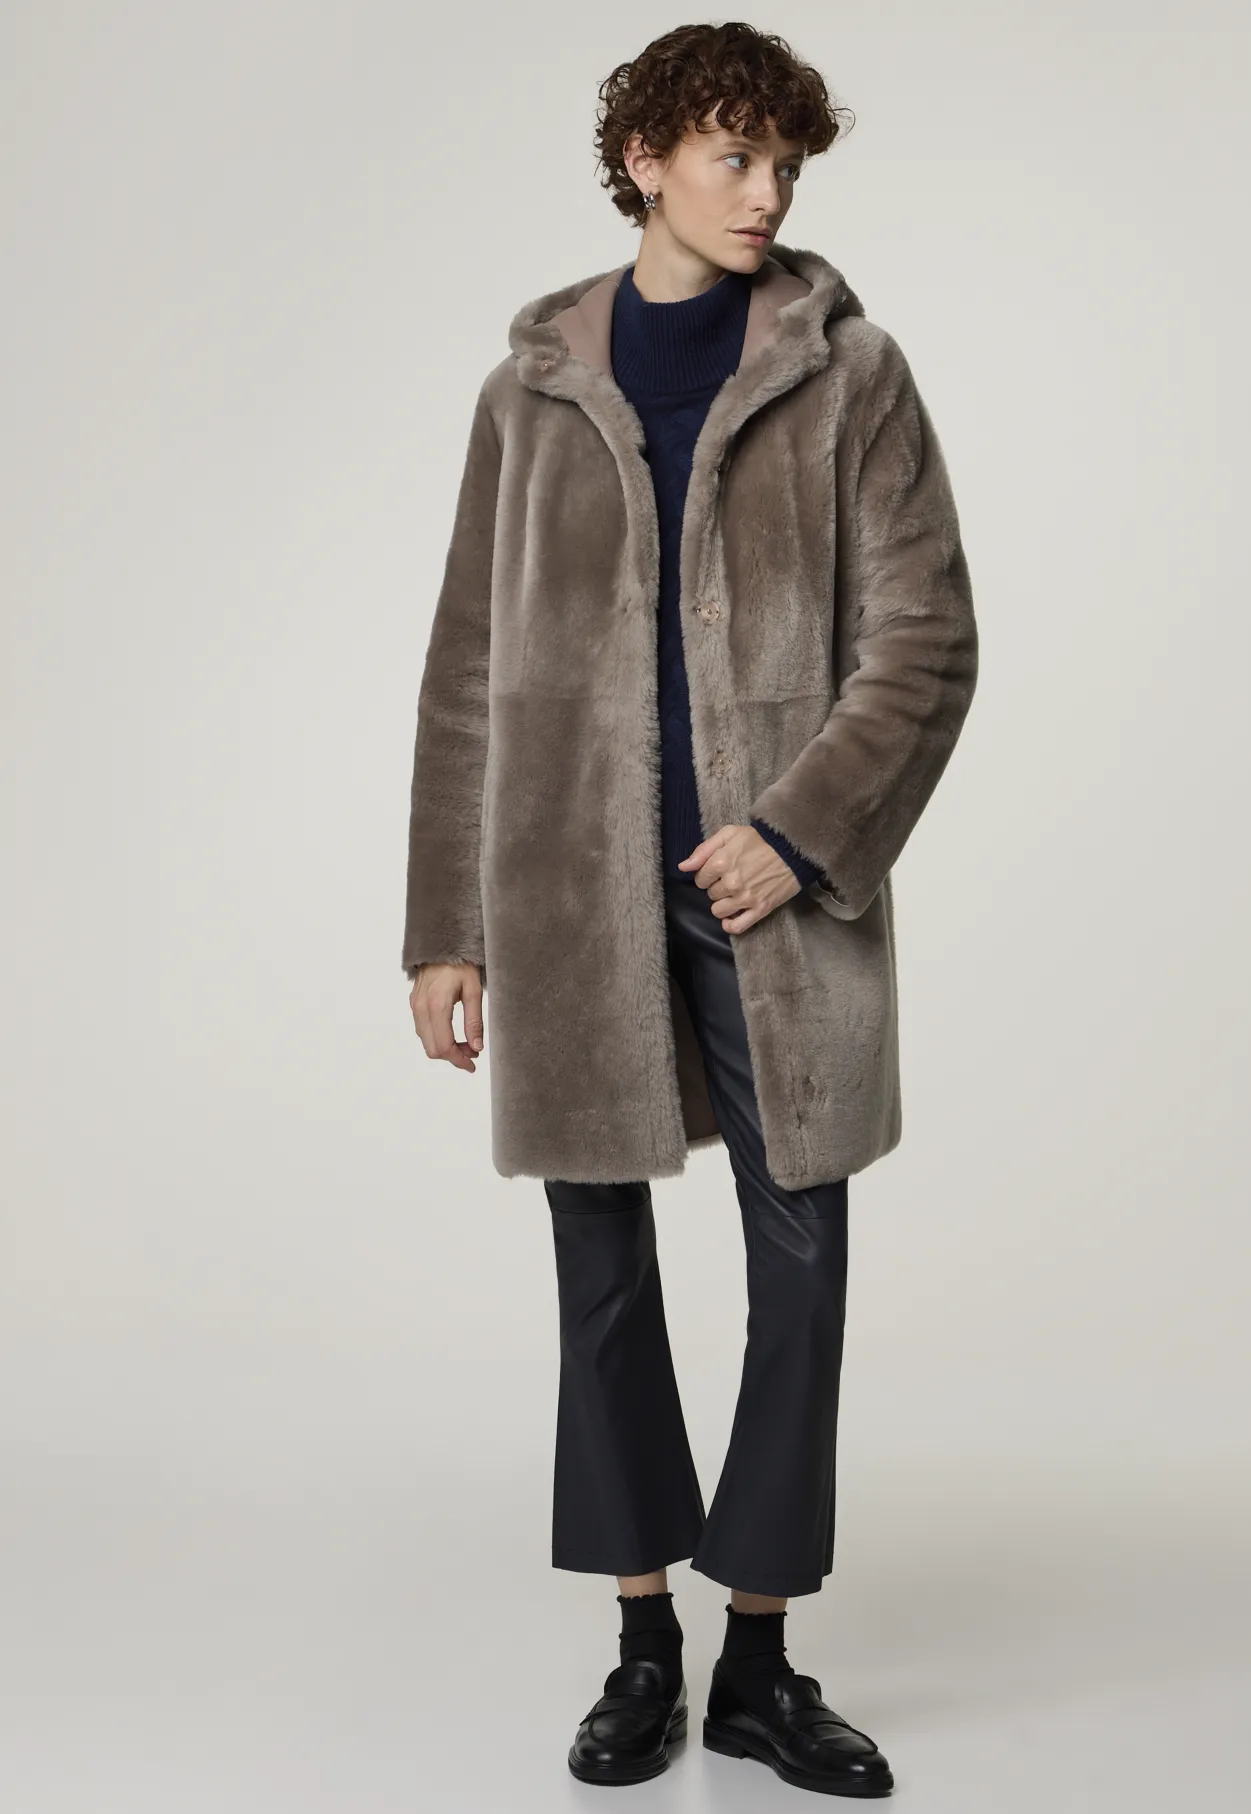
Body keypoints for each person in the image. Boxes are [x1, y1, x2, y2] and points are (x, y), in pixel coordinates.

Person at [402, 20, 978, 1798]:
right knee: (600, 1272)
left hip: (772, 906)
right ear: (644, 160)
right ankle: (642, 1640)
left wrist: (795, 832)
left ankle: (761, 1660)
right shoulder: (527, 394)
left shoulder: (848, 373)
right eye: (735, 156)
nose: (768, 192)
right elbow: (468, 664)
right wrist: (444, 921)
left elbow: (927, 643)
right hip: (568, 894)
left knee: (801, 1269)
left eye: (785, 164)